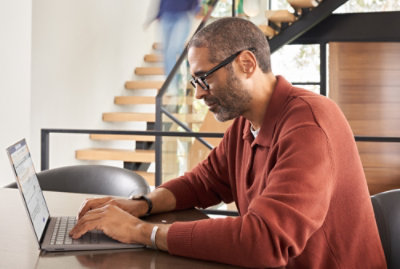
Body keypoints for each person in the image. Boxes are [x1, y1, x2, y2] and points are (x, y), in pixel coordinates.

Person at [70, 17, 386, 268]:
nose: (198, 93)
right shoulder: (245, 124)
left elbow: (266, 240)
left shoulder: (309, 125)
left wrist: (142, 232)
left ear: (246, 64)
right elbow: (203, 182)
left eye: (204, 78)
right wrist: (141, 205)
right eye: (194, 81)